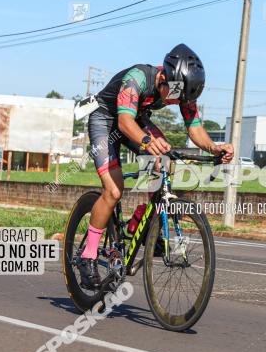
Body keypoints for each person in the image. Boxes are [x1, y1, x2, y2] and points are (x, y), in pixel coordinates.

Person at [78, 44, 233, 288]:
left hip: (136, 120)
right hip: (107, 120)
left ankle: (145, 220)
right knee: (114, 190)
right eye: (175, 96)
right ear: (164, 78)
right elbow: (124, 120)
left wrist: (214, 147)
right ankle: (88, 256)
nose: (176, 102)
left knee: (166, 158)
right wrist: (147, 140)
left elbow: (194, 129)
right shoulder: (137, 78)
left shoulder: (180, 89)